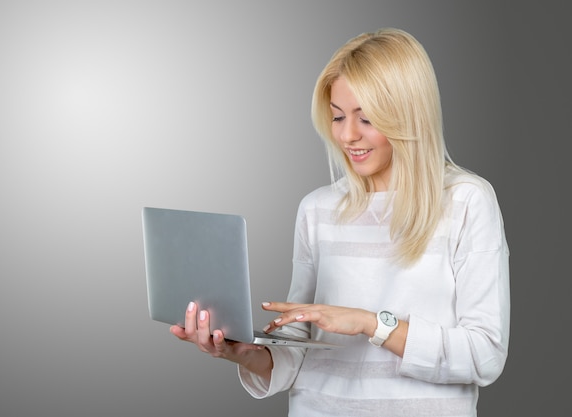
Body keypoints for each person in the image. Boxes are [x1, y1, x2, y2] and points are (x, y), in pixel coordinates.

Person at [170, 27, 510, 417]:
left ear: (408, 115)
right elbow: (298, 351)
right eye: (337, 116)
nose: (348, 136)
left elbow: (484, 355)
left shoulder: (467, 201)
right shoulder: (318, 210)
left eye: (366, 118)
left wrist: (371, 324)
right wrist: (244, 353)